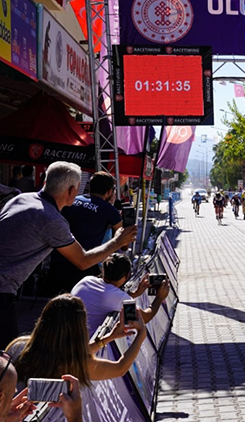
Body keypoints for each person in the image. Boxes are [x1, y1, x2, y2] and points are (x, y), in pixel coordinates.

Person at [0, 162, 137, 349]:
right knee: (6, 356)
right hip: (3, 288)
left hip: (37, 278)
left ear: (45, 181)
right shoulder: (51, 219)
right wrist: (118, 242)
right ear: (73, 190)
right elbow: (82, 261)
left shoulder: (21, 198)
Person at [10, 294, 147, 387]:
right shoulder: (77, 365)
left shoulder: (18, 346)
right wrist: (141, 334)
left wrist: (108, 338)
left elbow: (71, 352)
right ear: (79, 328)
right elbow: (119, 368)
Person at [45, 171, 124, 297]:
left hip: (59, 261)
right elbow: (123, 242)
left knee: (54, 302)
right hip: (86, 264)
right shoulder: (110, 210)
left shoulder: (71, 201)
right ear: (109, 192)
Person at [72, 253, 170, 335]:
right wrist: (159, 298)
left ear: (103, 270)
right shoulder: (119, 298)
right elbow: (143, 318)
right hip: (85, 346)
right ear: (127, 276)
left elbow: (106, 298)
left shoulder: (86, 280)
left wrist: (135, 293)